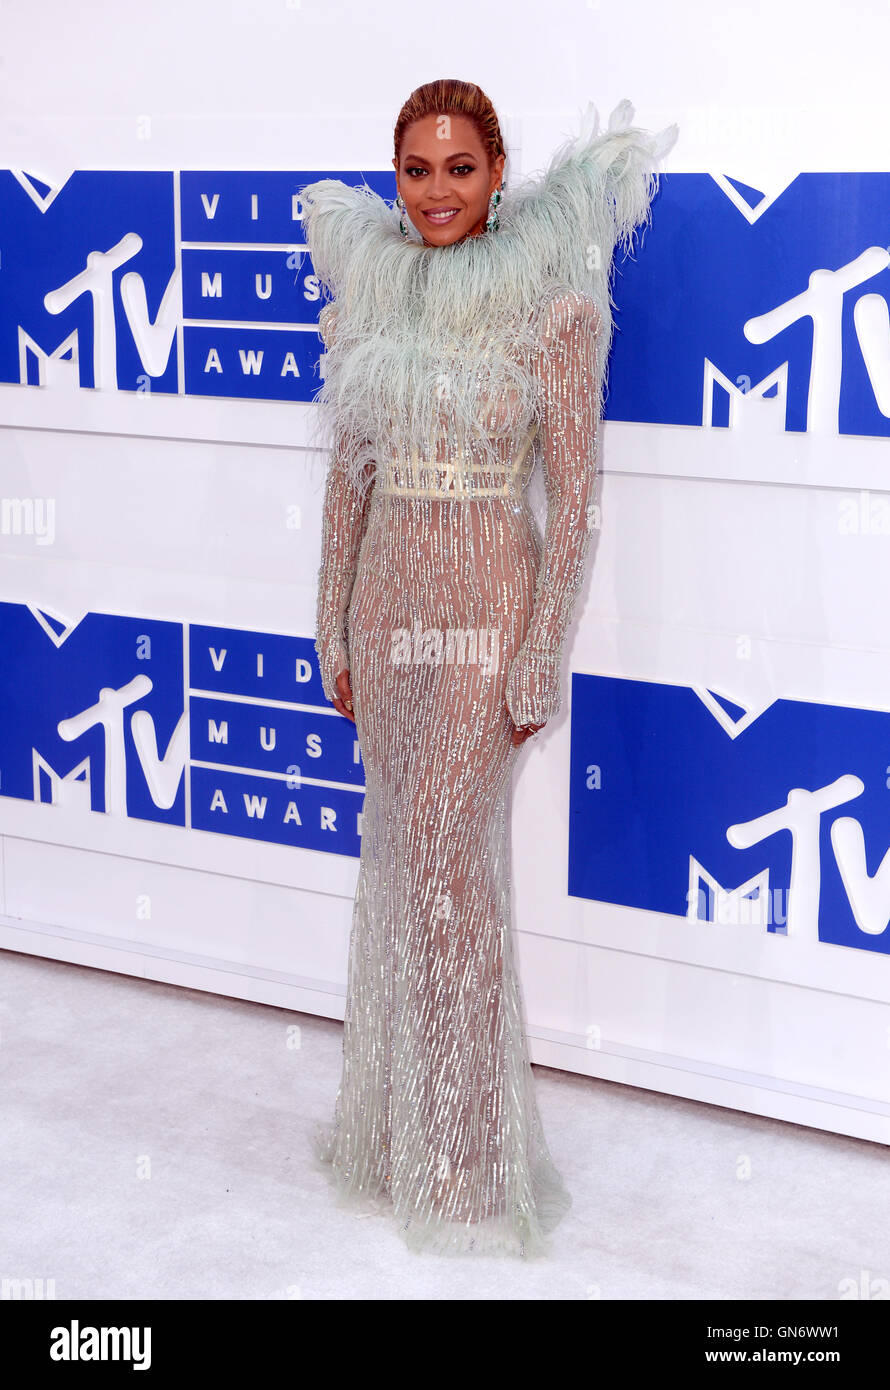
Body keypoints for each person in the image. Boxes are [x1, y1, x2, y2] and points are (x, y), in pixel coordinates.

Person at [300, 78, 677, 1258]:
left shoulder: (549, 308)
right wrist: (331, 626)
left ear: (498, 173)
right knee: (397, 862)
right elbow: (346, 478)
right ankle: (400, 1134)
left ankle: (464, 1157)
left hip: (483, 616)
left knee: (449, 874)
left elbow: (573, 506)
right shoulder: (370, 298)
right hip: (388, 605)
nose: (435, 192)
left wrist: (536, 658)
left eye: (459, 168)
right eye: (415, 170)